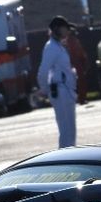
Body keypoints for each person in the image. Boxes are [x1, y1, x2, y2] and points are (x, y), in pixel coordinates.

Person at [37, 15, 79, 147]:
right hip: (60, 92)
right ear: (56, 29)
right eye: (65, 28)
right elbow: (43, 71)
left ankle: (70, 157)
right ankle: (65, 159)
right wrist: (44, 89)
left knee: (70, 131)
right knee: (66, 131)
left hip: (66, 91)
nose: (68, 31)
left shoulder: (58, 46)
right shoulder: (51, 47)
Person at [62, 30, 89, 105]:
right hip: (74, 64)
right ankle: (80, 99)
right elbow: (77, 53)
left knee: (78, 81)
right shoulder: (70, 41)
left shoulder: (71, 40)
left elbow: (80, 52)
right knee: (78, 82)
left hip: (75, 64)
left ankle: (80, 98)